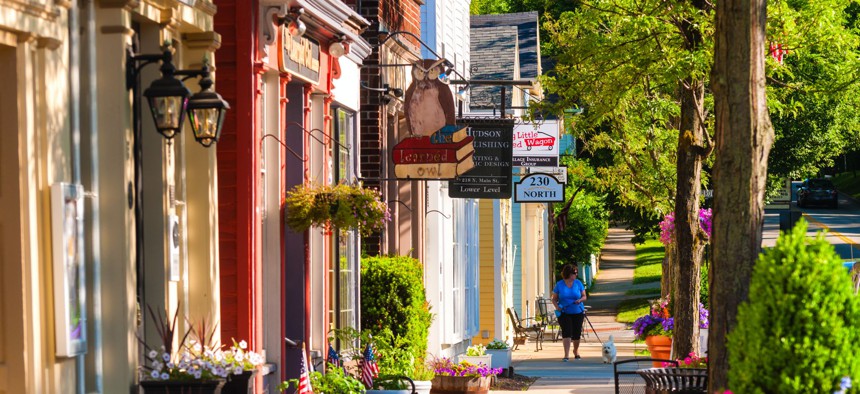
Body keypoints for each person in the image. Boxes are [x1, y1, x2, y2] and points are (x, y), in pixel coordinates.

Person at [551, 264, 586, 362]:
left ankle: (576, 351)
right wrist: (557, 307)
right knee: (566, 332)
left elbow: (584, 296)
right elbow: (554, 299)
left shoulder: (578, 283)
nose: (576, 274)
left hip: (578, 311)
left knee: (577, 333)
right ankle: (566, 355)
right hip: (564, 312)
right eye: (575, 273)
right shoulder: (559, 284)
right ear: (569, 273)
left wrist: (580, 300)